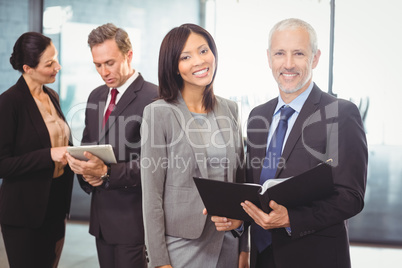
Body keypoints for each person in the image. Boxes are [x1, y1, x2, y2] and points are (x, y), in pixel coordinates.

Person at [237, 18, 367, 268]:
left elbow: (351, 196)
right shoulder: (257, 116)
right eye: (279, 53)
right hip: (262, 258)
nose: (288, 64)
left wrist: (292, 218)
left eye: (298, 53)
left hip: (315, 257)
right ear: (268, 58)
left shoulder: (340, 113)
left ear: (315, 58)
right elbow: (255, 186)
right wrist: (237, 219)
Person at [140, 23, 249, 268]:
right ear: (174, 67)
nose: (199, 61)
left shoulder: (229, 109)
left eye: (203, 51)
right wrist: (158, 261)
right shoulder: (158, 113)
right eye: (186, 57)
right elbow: (152, 195)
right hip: (181, 245)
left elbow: (240, 182)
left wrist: (244, 247)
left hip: (228, 241)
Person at [66, 23, 158, 268]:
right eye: (97, 65)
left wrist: (106, 173)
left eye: (110, 63)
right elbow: (88, 147)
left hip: (135, 221)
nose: (104, 71)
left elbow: (156, 164)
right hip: (101, 221)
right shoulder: (96, 96)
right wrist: (87, 173)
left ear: (129, 55)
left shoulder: (155, 98)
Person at [0, 32, 74, 267]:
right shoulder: (9, 103)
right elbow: (3, 164)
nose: (58, 67)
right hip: (24, 214)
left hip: (55, 206)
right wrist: (49, 155)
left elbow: (62, 143)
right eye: (49, 63)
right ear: (28, 68)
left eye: (56, 59)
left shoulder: (52, 96)